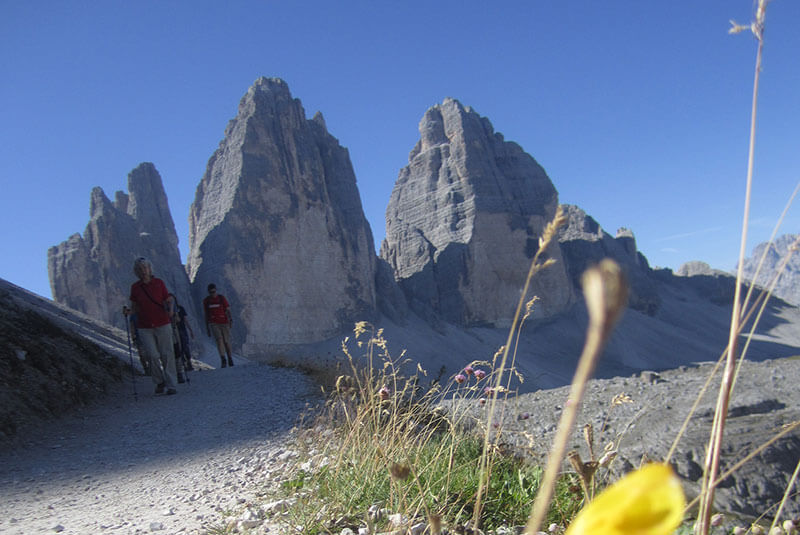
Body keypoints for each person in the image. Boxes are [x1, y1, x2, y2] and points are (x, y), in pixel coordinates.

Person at [127, 257, 178, 395]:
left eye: (145, 268)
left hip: (162, 322)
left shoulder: (159, 283)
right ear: (137, 271)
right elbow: (135, 307)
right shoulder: (135, 288)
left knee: (167, 353)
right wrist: (128, 312)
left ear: (150, 269)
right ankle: (159, 381)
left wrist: (171, 309)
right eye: (140, 269)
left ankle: (171, 384)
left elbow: (168, 299)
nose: (143, 271)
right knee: (152, 355)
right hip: (144, 326)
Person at [203, 283, 234, 368]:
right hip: (214, 323)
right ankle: (223, 359)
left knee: (226, 341)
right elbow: (206, 314)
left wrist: (230, 319)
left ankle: (230, 358)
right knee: (219, 340)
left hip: (224, 322)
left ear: (216, 290)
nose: (212, 294)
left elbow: (228, 309)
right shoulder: (206, 301)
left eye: (213, 291)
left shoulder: (221, 298)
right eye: (211, 292)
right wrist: (207, 328)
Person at [170, 293, 195, 372]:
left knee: (185, 346)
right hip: (174, 330)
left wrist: (190, 330)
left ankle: (188, 361)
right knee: (178, 347)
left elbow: (184, 320)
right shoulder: (168, 310)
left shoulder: (180, 308)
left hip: (182, 329)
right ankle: (184, 363)